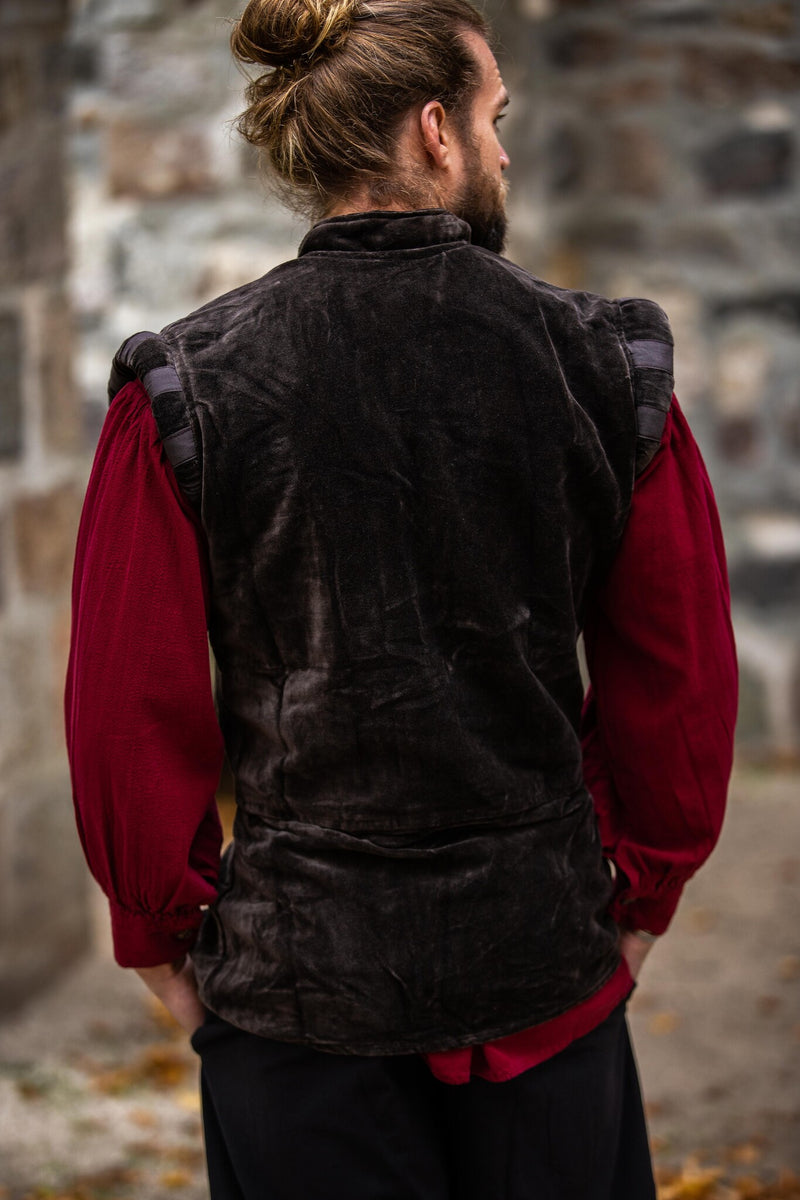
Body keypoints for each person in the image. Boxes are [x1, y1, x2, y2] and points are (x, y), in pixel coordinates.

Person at [65, 0, 738, 1196]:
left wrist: (159, 934)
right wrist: (640, 894)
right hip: (544, 978)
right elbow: (676, 680)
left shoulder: (183, 383)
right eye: (494, 118)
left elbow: (126, 710)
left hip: (293, 1000)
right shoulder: (608, 366)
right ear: (435, 131)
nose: (504, 150)